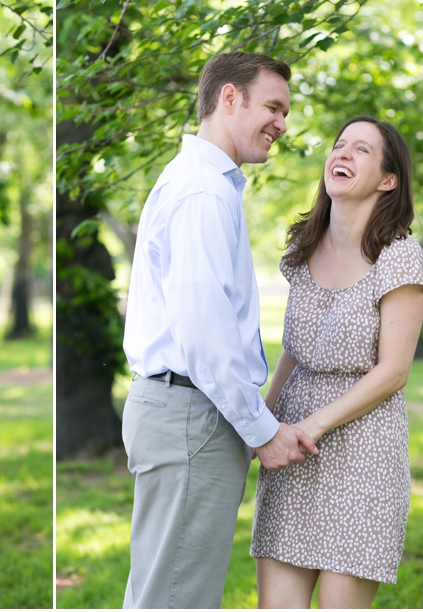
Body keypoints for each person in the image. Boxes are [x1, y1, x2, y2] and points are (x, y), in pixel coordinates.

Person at [121, 51, 319, 609]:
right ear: (229, 99)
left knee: (165, 590)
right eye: (273, 107)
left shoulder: (201, 183)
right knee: (175, 598)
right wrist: (261, 428)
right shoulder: (203, 192)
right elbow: (204, 337)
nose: (282, 123)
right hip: (191, 413)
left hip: (187, 411)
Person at [250, 116, 423, 608]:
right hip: (292, 452)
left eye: (361, 150)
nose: (343, 154)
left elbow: (393, 371)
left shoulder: (400, 258)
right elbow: (294, 351)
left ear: (387, 179)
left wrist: (310, 427)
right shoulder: (302, 249)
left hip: (363, 455)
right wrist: (265, 426)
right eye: (339, 146)